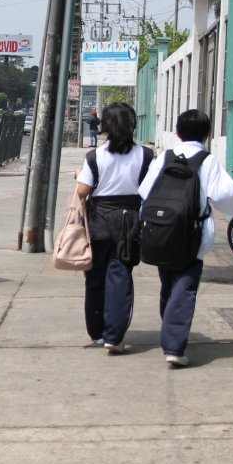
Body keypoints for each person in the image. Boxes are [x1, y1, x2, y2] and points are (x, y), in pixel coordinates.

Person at [138, 109, 233, 368]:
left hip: (162, 230)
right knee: (184, 287)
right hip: (193, 235)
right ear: (207, 134)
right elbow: (226, 195)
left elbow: (145, 190)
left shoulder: (164, 157)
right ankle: (174, 345)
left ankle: (170, 330)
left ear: (177, 132)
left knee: (169, 283)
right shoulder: (208, 161)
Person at [74, 102, 153, 352]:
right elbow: (150, 189)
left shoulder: (95, 156)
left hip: (99, 221)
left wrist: (79, 175)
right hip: (129, 221)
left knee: (95, 277)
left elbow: (82, 191)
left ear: (106, 126)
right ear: (132, 125)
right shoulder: (146, 155)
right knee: (120, 278)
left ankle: (97, 332)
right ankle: (114, 336)